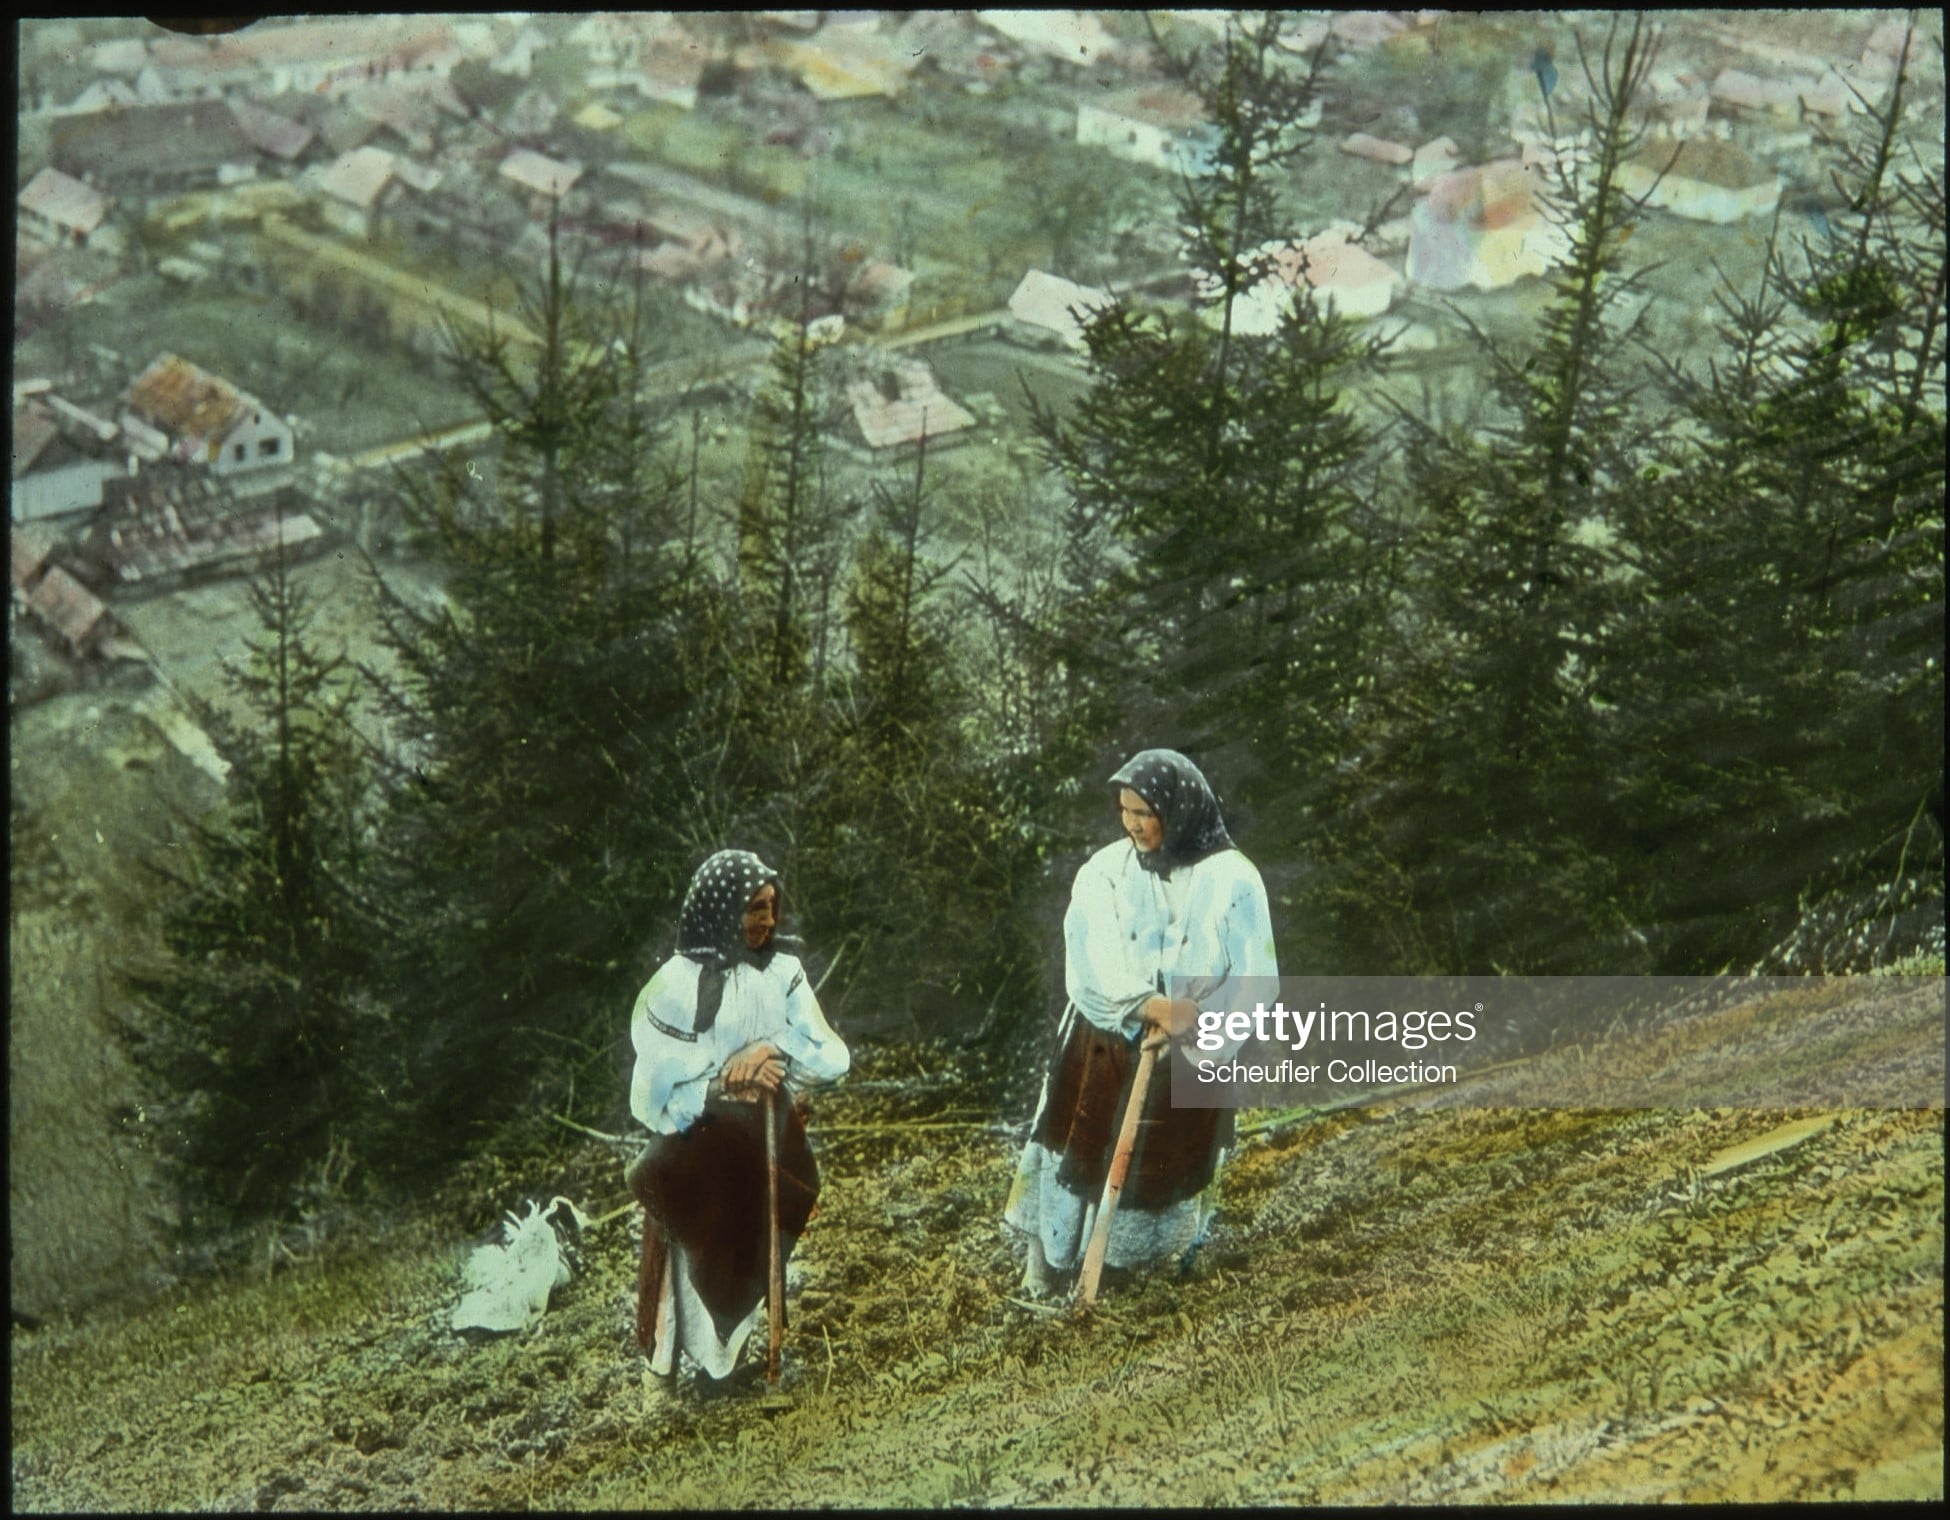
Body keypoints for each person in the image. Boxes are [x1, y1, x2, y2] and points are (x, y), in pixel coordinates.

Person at [1004, 749, 1278, 1295]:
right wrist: (1151, 1006)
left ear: (1179, 809)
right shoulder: (1106, 870)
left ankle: (1140, 1277)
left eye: (1145, 812)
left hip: (1193, 1048)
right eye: (1124, 810)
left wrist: (1200, 1024)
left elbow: (1258, 977)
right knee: (1080, 1149)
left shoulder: (1233, 878)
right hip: (1104, 1040)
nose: (1132, 824)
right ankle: (1059, 1270)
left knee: (1162, 1163)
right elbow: (1090, 958)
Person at [626, 849, 849, 1392]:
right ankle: (672, 1372)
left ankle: (728, 1368)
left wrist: (770, 1048)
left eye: (771, 907)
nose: (765, 921)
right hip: (695, 1138)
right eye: (753, 909)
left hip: (761, 1136)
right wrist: (718, 1084)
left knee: (752, 1243)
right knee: (693, 1253)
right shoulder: (676, 988)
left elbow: (833, 1055)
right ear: (721, 911)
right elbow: (648, 1097)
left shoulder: (784, 972)